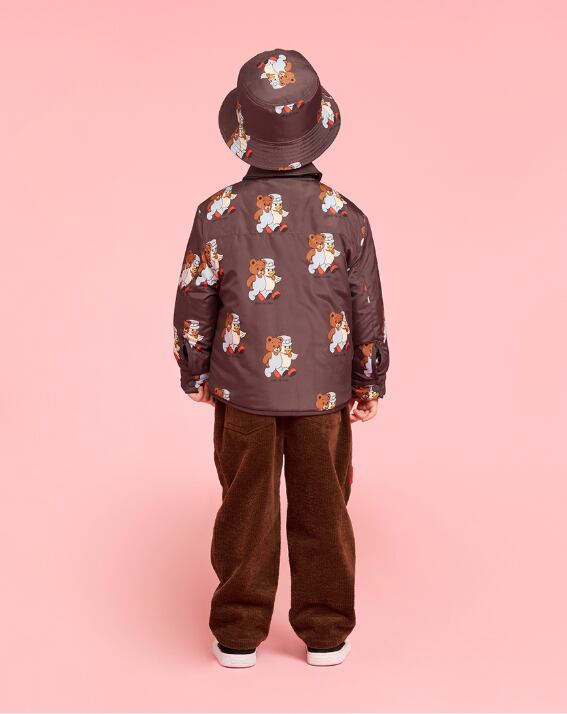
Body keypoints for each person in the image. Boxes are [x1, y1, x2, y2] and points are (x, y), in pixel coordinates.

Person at [173, 49, 389, 668]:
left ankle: (238, 634)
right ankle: (326, 634)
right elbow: (366, 308)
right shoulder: (346, 217)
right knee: (325, 508)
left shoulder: (215, 214)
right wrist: (369, 381)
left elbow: (194, 300)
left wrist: (194, 371)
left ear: (245, 130)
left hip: (242, 389)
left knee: (245, 507)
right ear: (316, 127)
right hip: (324, 391)